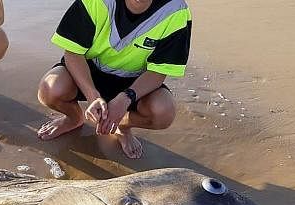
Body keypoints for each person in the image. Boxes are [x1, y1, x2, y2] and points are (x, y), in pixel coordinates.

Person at [37, 0, 192, 159]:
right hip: (89, 71)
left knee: (163, 112)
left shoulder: (175, 10)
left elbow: (158, 72)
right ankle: (74, 118)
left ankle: (121, 126)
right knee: (50, 89)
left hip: (135, 81)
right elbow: (72, 53)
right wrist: (93, 96)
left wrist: (126, 98)